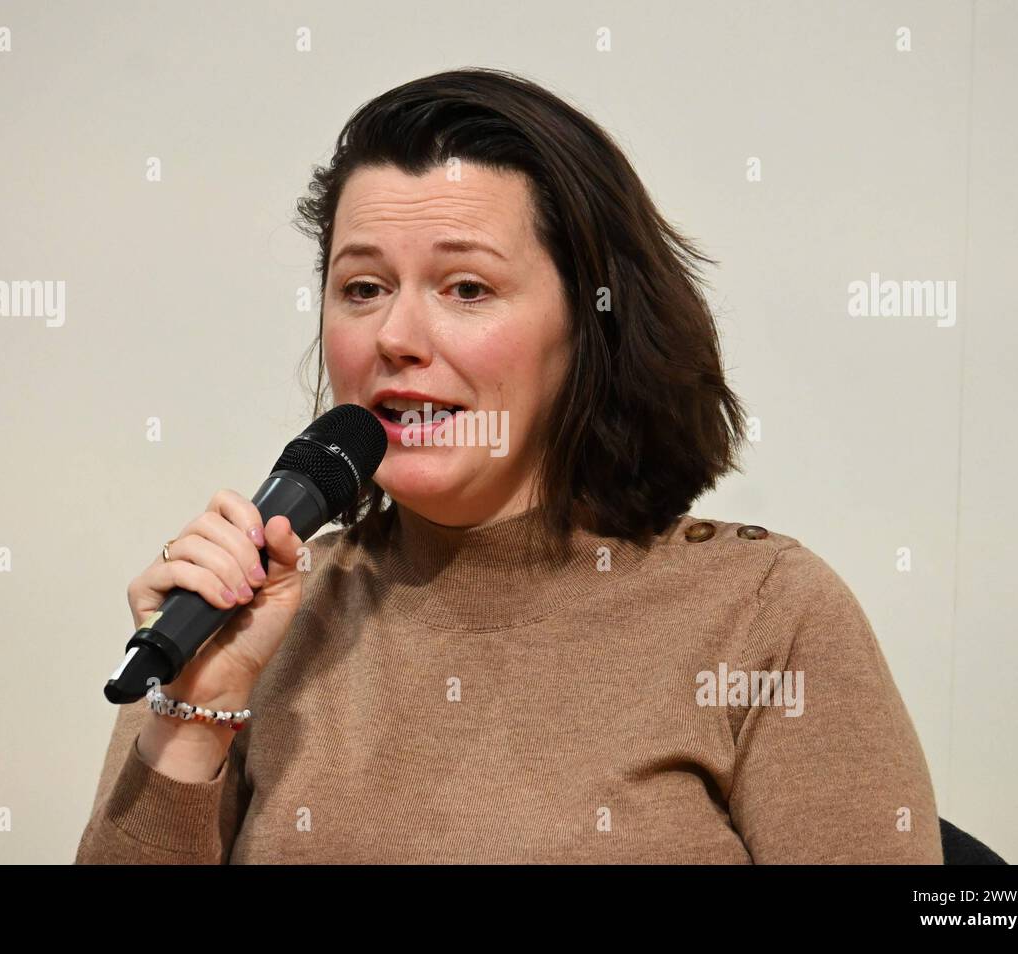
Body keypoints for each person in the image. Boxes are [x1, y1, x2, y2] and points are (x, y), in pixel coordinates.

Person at [75, 67, 943, 864]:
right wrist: (195, 715)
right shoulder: (245, 618)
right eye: (364, 288)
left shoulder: (764, 614)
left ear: (588, 327)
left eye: (467, 289)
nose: (396, 340)